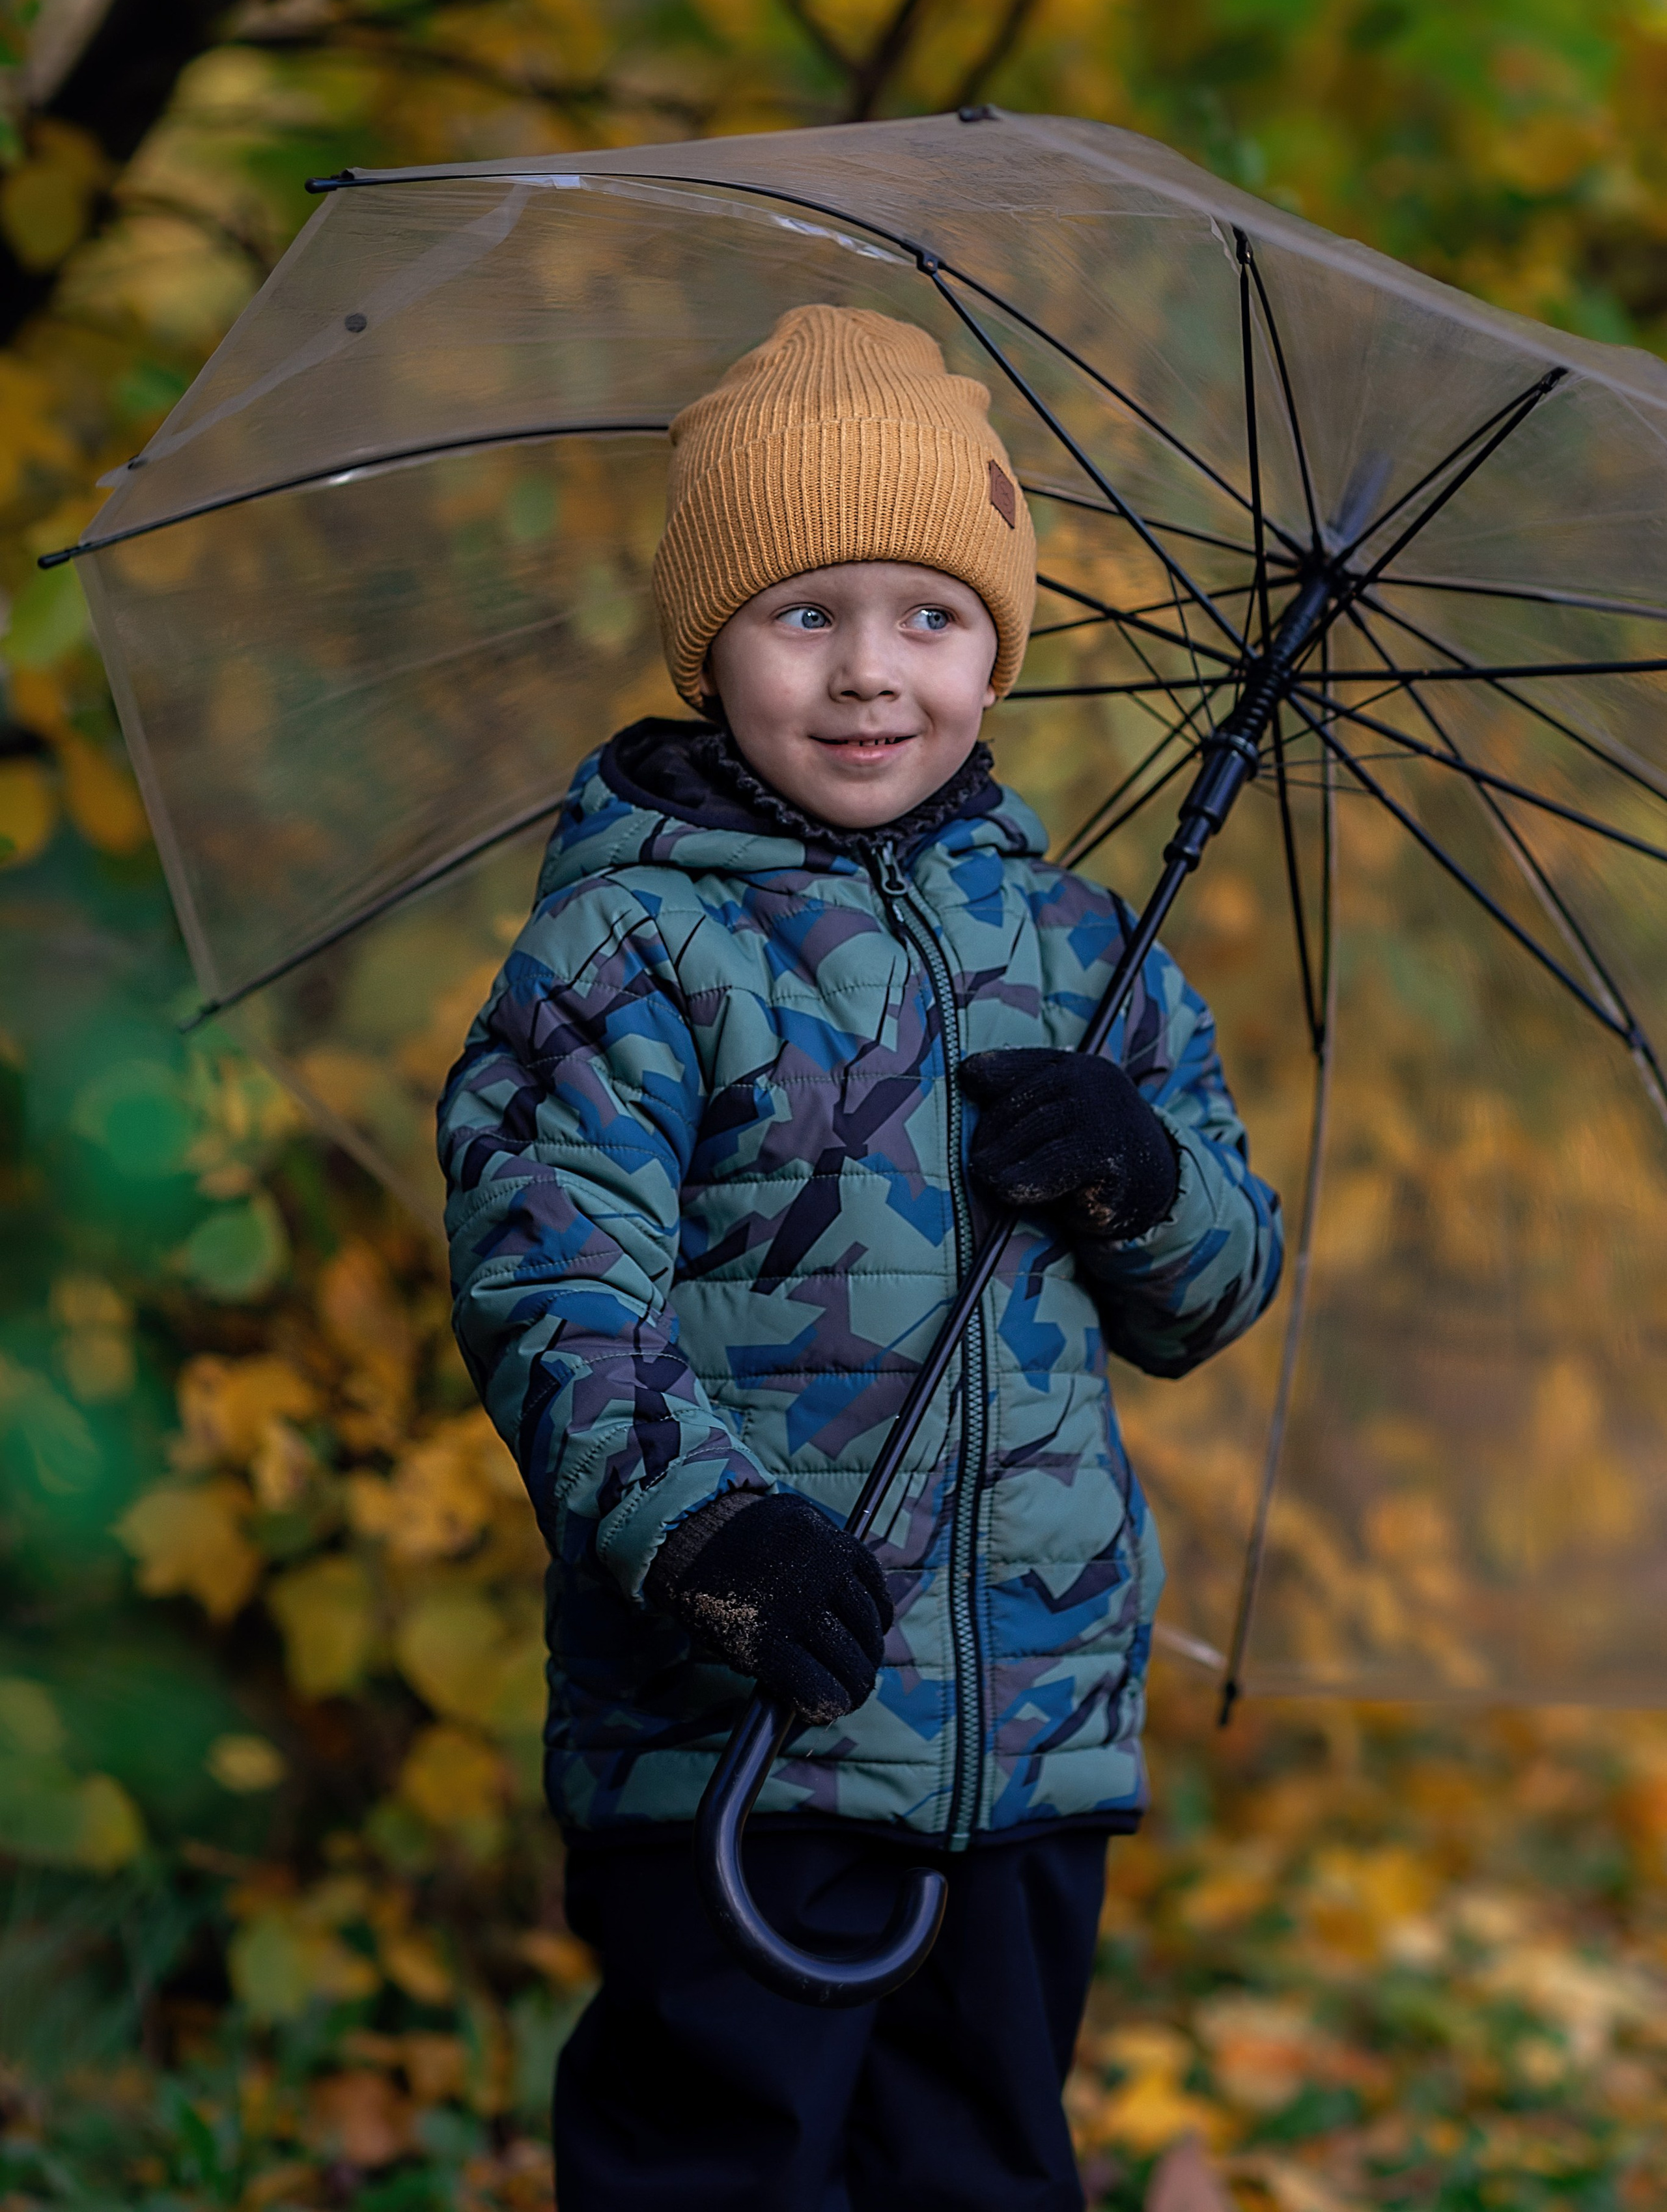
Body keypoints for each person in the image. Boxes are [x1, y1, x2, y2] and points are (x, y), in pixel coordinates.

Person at [438, 305, 1282, 2211]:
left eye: (931, 614)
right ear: (709, 642)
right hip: (750, 1723)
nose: (870, 673)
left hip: (1032, 1727)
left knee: (980, 2164)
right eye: (803, 614)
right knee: (720, 2158)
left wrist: (1142, 1177)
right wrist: (708, 1539)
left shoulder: (1089, 954)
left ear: (1000, 646)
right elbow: (551, 1291)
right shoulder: (635, 952)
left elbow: (1216, 1290)